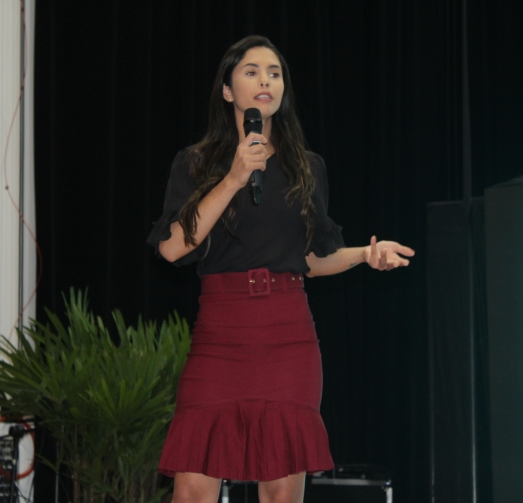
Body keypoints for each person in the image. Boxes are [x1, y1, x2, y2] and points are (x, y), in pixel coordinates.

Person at [147, 35, 414, 503]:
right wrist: (233, 178)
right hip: (221, 332)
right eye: (251, 71)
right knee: (191, 489)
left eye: (274, 73)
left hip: (287, 332)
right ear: (227, 90)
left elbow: (309, 260)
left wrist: (364, 255)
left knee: (281, 491)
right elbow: (172, 248)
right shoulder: (195, 163)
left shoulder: (306, 167)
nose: (265, 81)